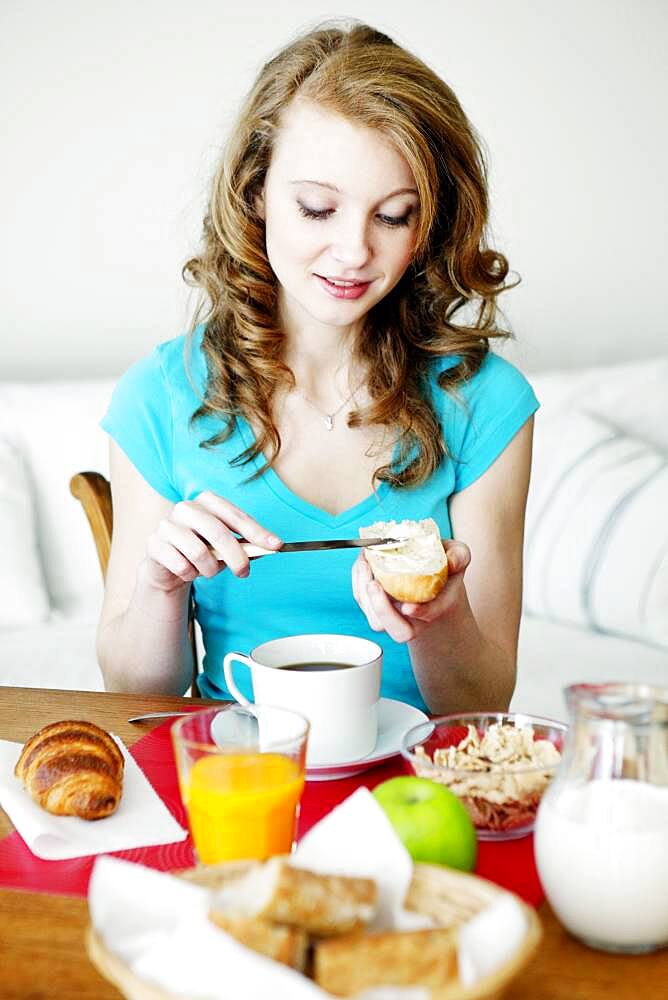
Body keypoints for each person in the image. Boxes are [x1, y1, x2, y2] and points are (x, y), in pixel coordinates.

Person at [97, 21, 538, 714]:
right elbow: (133, 694)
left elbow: (480, 702)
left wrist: (439, 616)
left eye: (393, 216)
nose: (354, 252)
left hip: (414, 790)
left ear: (431, 225)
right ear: (255, 193)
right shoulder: (159, 396)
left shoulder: (486, 402)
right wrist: (161, 584)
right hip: (242, 780)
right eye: (317, 208)